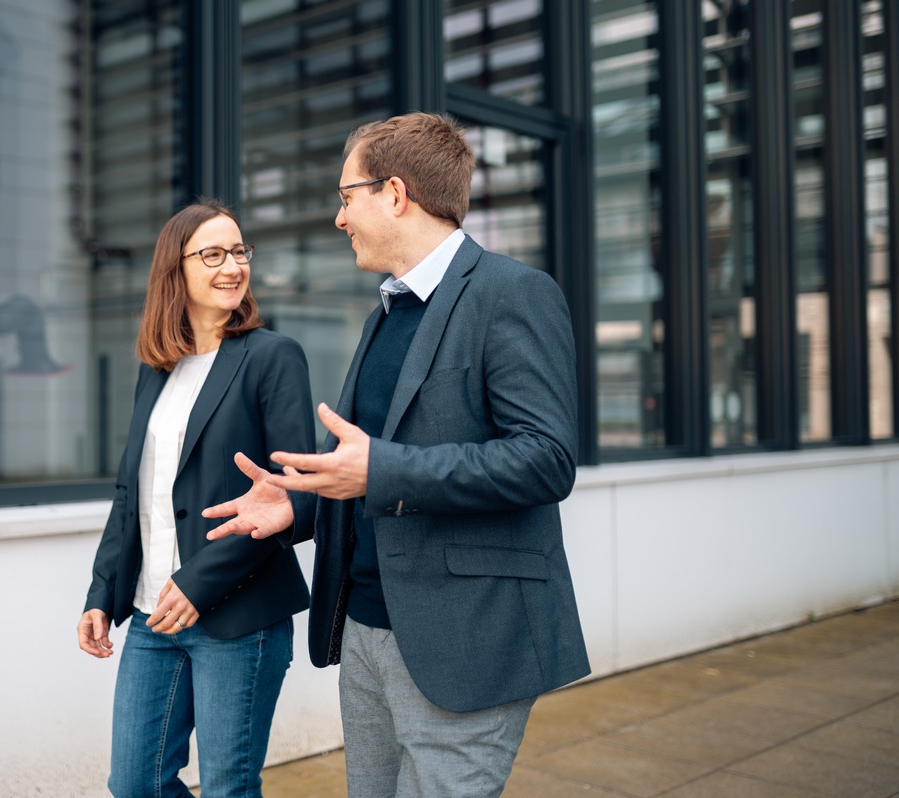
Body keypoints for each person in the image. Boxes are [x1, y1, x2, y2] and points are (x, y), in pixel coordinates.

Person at [204, 113, 590, 796]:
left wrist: (384, 471)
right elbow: (356, 467)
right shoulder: (387, 310)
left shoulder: (512, 293)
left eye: (346, 196)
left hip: (465, 638)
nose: (338, 218)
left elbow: (546, 458)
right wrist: (293, 502)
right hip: (366, 628)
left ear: (395, 193)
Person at [77, 199, 315, 798]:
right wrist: (103, 592)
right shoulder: (157, 368)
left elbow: (295, 498)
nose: (232, 265)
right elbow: (133, 491)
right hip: (154, 614)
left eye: (240, 252)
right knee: (136, 784)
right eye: (213, 254)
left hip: (237, 617)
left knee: (229, 788)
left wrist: (199, 582)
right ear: (174, 270)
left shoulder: (272, 358)